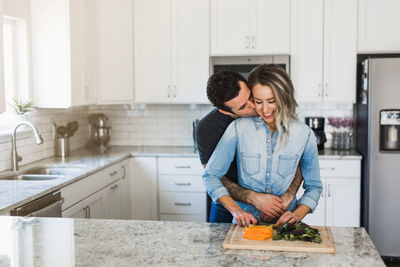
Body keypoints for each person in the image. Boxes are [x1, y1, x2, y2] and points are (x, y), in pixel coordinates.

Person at [202, 64, 323, 227]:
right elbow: (210, 176)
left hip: (285, 228)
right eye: (258, 101)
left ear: (283, 97)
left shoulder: (304, 134)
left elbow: (314, 186)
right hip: (245, 227)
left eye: (272, 101)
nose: (265, 109)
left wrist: (296, 215)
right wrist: (237, 211)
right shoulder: (238, 129)